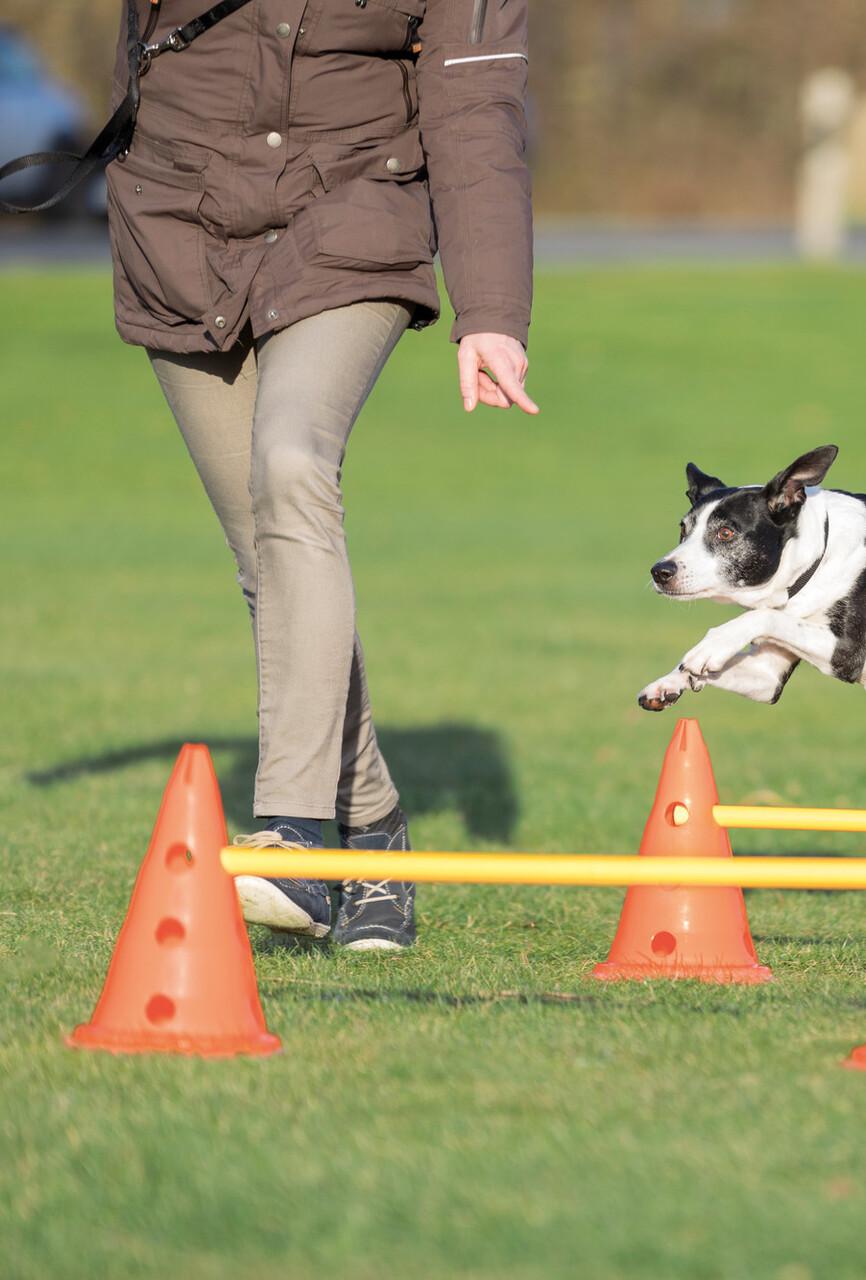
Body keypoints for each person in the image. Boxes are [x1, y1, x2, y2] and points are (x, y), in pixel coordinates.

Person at [107, 0, 537, 949]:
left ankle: (294, 840)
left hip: (351, 220)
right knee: (269, 559)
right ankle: (374, 828)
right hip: (180, 230)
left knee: (292, 461)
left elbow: (475, 105)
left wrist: (491, 310)